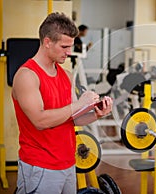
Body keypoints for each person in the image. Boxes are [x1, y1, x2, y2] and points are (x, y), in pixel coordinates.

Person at [12, 12, 113, 194]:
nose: (69, 52)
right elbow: (40, 121)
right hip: (40, 166)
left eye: (71, 46)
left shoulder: (66, 75)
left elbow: (73, 118)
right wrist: (79, 103)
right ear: (47, 42)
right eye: (64, 46)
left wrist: (96, 114)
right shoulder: (27, 76)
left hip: (68, 163)